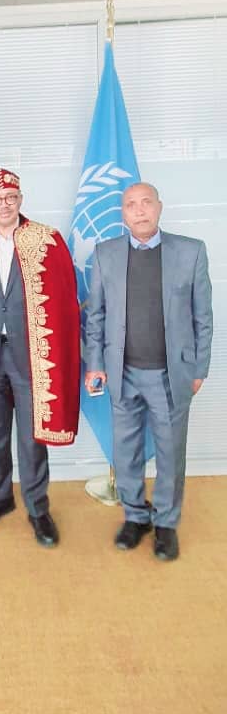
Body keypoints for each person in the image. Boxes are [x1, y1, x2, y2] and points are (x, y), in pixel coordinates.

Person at [0, 167, 80, 546]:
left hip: (34, 357)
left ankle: (38, 508)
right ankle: (0, 497)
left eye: (9, 198)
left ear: (20, 199)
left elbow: (65, 303)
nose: (3, 205)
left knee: (31, 437)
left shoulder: (47, 240)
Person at [85, 182, 213, 561]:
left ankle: (166, 524)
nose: (139, 210)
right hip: (122, 373)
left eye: (146, 203)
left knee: (170, 453)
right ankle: (135, 517)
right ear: (123, 214)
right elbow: (96, 315)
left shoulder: (190, 252)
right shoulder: (105, 253)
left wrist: (199, 368)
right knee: (126, 451)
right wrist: (95, 364)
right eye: (131, 205)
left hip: (171, 376)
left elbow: (203, 317)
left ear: (159, 207)